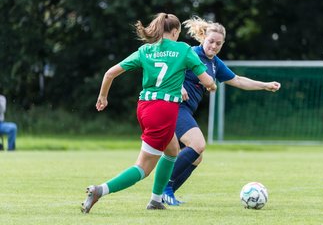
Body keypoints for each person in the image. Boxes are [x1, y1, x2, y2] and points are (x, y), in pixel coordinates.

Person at [81, 13, 217, 213]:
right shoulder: (184, 49)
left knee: (172, 151)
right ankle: (100, 190)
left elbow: (110, 73)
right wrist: (212, 85)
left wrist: (103, 97)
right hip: (164, 111)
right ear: (175, 31)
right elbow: (207, 82)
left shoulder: (145, 50)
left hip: (145, 108)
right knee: (143, 167)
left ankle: (155, 200)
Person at [162, 16, 281, 205]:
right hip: (174, 107)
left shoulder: (215, 63)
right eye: (211, 41)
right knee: (198, 144)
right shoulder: (190, 52)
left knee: (197, 157)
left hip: (185, 111)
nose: (214, 46)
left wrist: (265, 85)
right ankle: (164, 186)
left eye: (218, 43)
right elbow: (167, 70)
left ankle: (167, 193)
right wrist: (178, 87)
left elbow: (238, 80)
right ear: (203, 38)